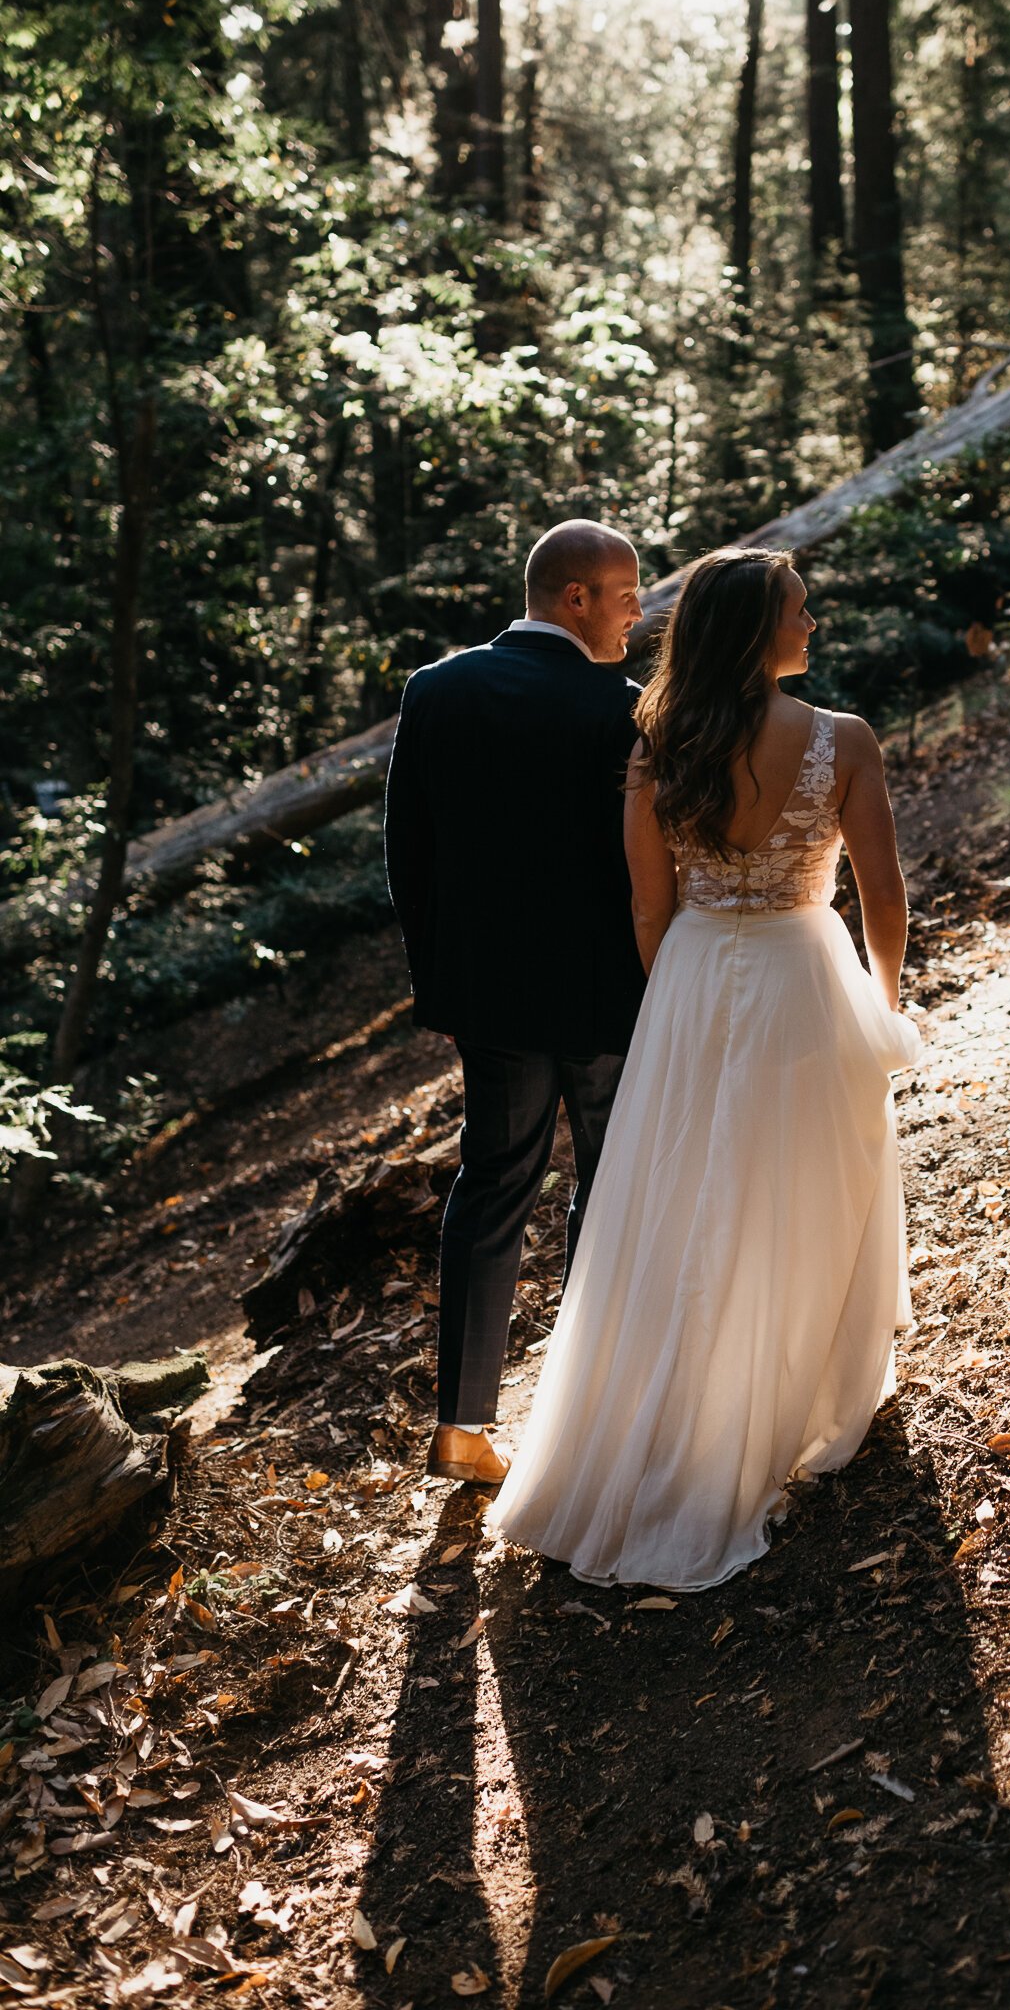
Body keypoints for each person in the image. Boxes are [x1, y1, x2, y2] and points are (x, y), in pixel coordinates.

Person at [488, 546, 922, 1590]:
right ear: (758, 628)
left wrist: (679, 990)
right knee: (809, 1183)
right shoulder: (841, 740)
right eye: (799, 610)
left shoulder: (656, 742)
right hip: (800, 974)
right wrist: (884, 999)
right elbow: (885, 896)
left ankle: (672, 1410)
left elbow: (649, 904)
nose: (811, 624)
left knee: (679, 1198)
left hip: (688, 977)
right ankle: (792, 1395)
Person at [383, 519, 647, 1486]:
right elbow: (640, 868)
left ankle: (461, 1427)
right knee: (609, 1190)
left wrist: (439, 986)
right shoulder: (622, 708)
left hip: (488, 999)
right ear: (574, 598)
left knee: (491, 1187)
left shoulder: (436, 691)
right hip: (605, 996)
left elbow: (407, 853)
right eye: (624, 595)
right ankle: (588, 1416)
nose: (636, 613)